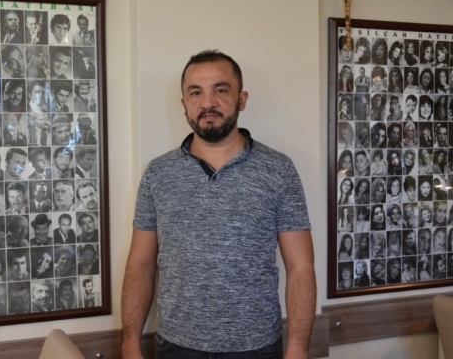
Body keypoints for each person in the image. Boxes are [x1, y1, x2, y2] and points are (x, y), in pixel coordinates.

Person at [122, 51, 314, 357]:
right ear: (184, 103)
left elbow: (300, 266)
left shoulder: (279, 170)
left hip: (257, 348)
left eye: (221, 90)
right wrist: (130, 341)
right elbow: (141, 264)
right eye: (195, 92)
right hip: (176, 348)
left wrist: (299, 348)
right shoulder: (158, 173)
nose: (207, 102)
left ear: (242, 99)